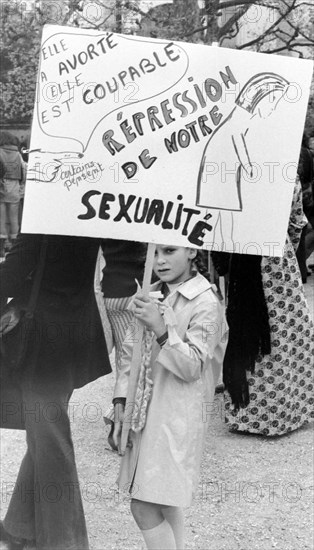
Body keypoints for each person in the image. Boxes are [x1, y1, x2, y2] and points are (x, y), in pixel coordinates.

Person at [0, 233, 112, 550]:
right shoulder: (85, 206)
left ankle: (66, 541)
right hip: (74, 330)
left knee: (50, 438)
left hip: (42, 340)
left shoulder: (45, 207)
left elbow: (14, 271)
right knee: (45, 432)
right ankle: (20, 525)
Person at [112, 245, 227, 549]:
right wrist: (120, 401)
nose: (160, 260)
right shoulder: (150, 293)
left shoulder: (206, 302)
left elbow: (192, 367)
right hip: (144, 415)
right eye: (156, 252)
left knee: (143, 505)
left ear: (191, 251)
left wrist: (163, 330)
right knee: (164, 501)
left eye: (170, 251)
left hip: (177, 419)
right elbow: (128, 353)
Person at [220, 177, 314, 436]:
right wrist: (286, 247)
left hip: (243, 256)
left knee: (246, 328)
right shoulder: (287, 174)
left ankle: (247, 412)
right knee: (285, 329)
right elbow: (297, 221)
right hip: (276, 259)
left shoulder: (234, 172)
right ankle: (287, 409)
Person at [196, 73, 290, 252]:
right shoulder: (242, 115)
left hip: (225, 168)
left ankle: (224, 245)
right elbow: (236, 136)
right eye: (274, 100)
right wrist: (248, 166)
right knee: (223, 211)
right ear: (264, 96)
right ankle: (223, 246)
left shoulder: (245, 115)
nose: (274, 106)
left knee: (224, 212)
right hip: (221, 169)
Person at [100, 239, 145, 449]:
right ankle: (119, 424)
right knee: (136, 361)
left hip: (112, 288)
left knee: (124, 361)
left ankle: (121, 422)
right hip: (141, 285)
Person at [0, 132, 26, 259]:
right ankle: (14, 249)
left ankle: (1, 248)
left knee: (1, 220)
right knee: (14, 220)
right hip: (15, 190)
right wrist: (21, 188)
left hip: (2, 190)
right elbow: (24, 170)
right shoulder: (17, 155)